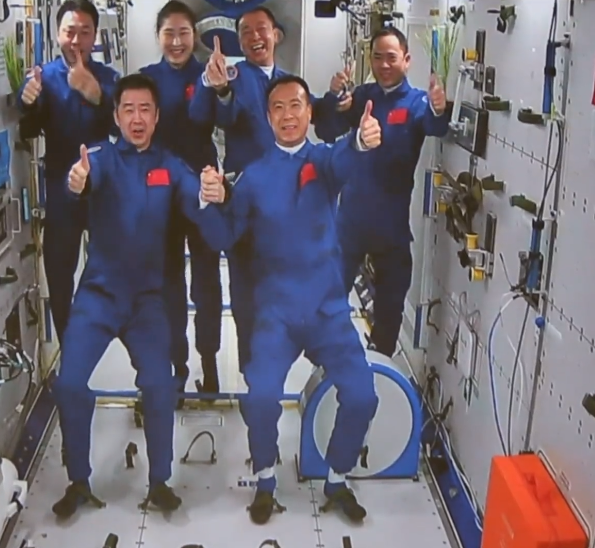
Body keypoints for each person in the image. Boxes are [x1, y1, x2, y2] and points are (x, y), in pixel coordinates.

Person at [196, 75, 381, 525]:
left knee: (362, 395)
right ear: (268, 117)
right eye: (277, 108)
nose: (287, 115)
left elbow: (345, 158)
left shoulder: (323, 160)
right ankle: (265, 480)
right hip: (275, 312)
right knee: (260, 397)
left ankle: (337, 478)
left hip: (327, 309)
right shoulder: (254, 177)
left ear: (309, 112)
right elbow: (225, 237)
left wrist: (360, 140)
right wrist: (209, 201)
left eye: (296, 105)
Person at [50, 74, 227, 518]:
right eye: (128, 109)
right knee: (69, 383)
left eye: (145, 109)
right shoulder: (99, 159)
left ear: (157, 116)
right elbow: (79, 184)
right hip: (99, 295)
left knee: (159, 385)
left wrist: (211, 193)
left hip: (147, 299)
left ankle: (160, 482)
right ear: (115, 116)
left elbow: (198, 204)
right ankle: (78, 480)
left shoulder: (170, 166)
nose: (137, 118)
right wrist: (75, 184)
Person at [190, 6, 324, 373]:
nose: (254, 37)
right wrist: (220, 89)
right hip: (246, 203)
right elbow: (225, 114)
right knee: (246, 293)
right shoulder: (235, 78)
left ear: (275, 34)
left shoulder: (289, 83)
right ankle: (252, 372)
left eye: (260, 29)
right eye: (245, 32)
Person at [314, 27, 449, 357]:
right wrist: (334, 100)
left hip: (391, 224)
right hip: (350, 221)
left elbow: (434, 126)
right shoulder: (362, 96)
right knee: (328, 296)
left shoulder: (416, 102)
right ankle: (328, 360)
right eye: (377, 57)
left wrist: (439, 108)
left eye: (391, 57)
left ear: (406, 59)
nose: (384, 64)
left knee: (390, 303)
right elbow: (327, 130)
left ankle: (379, 363)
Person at [16, 0, 120, 342]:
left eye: (85, 32)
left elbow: (122, 129)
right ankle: (68, 346)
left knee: (111, 267)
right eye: (69, 32)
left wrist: (96, 93)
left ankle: (105, 331)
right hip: (62, 191)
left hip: (102, 188)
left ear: (95, 35)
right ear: (57, 34)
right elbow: (29, 127)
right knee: (59, 274)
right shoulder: (44, 77)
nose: (76, 41)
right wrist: (27, 100)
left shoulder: (108, 78)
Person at [140, 0, 223, 397]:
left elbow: (221, 118)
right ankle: (177, 364)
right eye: (169, 33)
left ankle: (209, 360)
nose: (176, 42)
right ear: (158, 36)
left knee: (206, 282)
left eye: (184, 33)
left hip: (203, 189)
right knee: (167, 283)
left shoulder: (209, 75)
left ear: (195, 36)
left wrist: (220, 87)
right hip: (162, 194)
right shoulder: (146, 80)